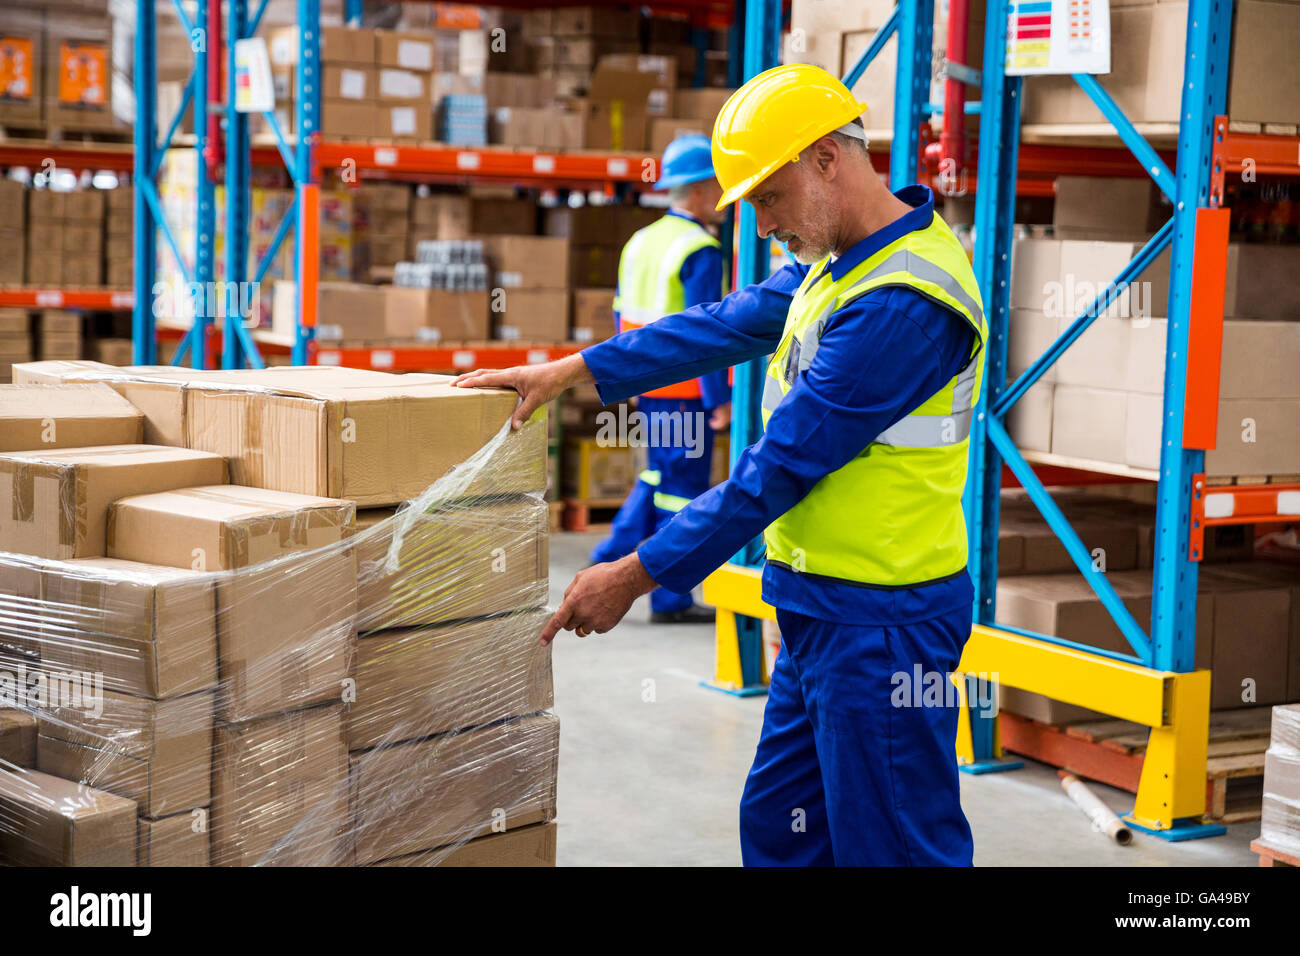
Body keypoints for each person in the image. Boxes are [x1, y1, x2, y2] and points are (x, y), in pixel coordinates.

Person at [454, 65, 987, 866]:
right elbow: (724, 323)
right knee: (781, 832)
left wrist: (636, 573)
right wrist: (571, 371)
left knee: (892, 847)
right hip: (818, 610)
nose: (762, 223)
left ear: (826, 160)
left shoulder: (903, 305)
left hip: (884, 624)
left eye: (768, 197)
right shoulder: (843, 263)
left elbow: (776, 470)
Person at [589, 134, 731, 624]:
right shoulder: (701, 250)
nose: (726, 194)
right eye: (718, 184)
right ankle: (671, 598)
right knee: (682, 492)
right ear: (696, 189)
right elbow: (709, 334)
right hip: (686, 395)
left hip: (648, 388)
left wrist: (625, 378)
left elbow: (619, 312)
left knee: (658, 474)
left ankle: (608, 556)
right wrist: (719, 400)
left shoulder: (641, 241)